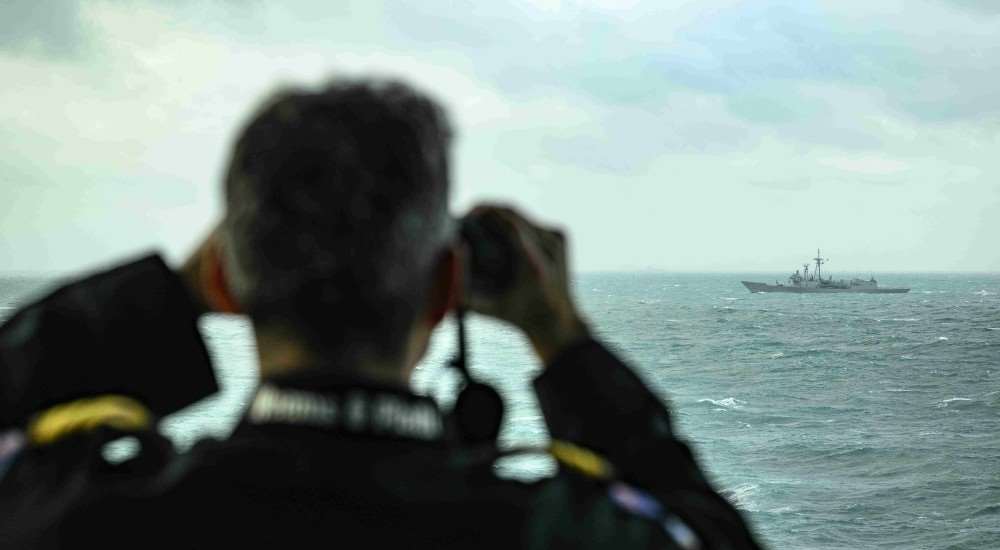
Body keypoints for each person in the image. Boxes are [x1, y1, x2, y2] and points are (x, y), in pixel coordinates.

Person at [0, 78, 764, 549]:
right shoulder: (558, 532)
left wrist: (170, 295)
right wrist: (561, 337)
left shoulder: (81, 516)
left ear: (228, 285)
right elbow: (706, 532)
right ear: (444, 291)